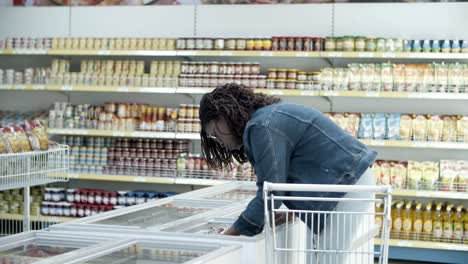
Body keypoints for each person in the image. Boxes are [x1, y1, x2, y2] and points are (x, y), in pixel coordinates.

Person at [199, 83, 377, 237]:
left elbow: (271, 191)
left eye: (216, 134)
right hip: (346, 184)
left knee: (329, 258)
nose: (219, 143)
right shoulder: (266, 119)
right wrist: (293, 212)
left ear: (224, 115)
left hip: (347, 187)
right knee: (321, 257)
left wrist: (231, 233)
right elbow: (299, 167)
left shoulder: (261, 127)